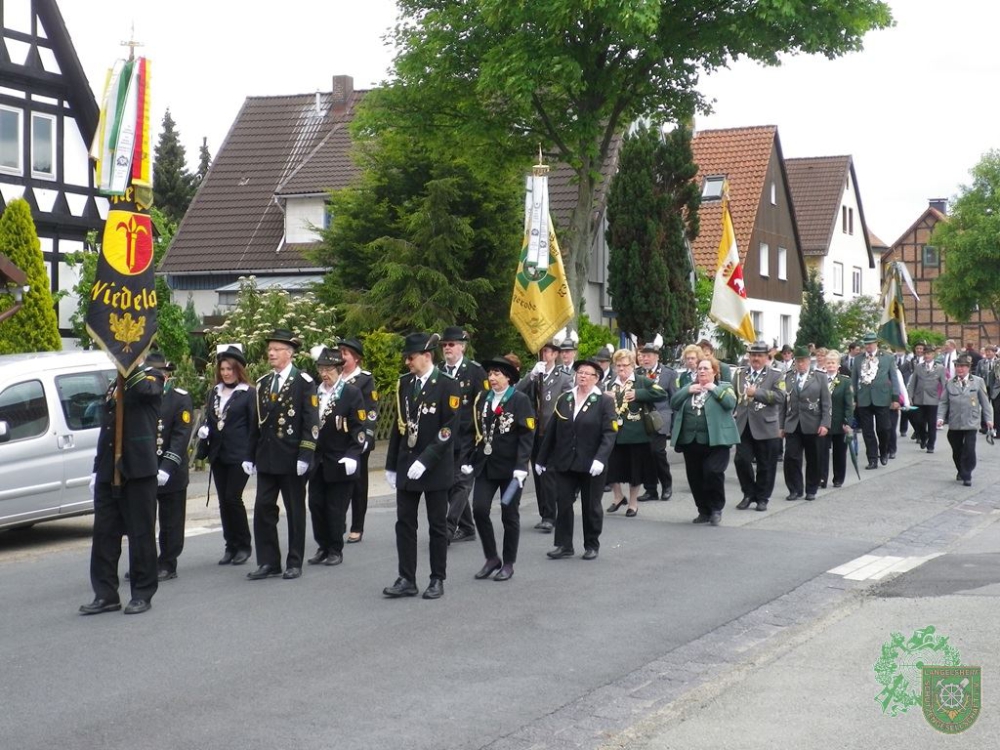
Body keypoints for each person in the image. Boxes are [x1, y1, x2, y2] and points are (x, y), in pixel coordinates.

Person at [80, 359, 163, 616]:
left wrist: (131, 366)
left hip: (137, 470)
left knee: (141, 535)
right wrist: (97, 469)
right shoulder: (113, 383)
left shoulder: (152, 377)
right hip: (108, 469)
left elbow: (144, 392)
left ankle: (142, 593)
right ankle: (105, 594)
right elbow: (106, 430)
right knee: (104, 534)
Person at [383, 333, 462, 599]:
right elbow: (399, 425)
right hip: (407, 464)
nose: (407, 362)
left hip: (435, 467)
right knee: (405, 523)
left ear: (427, 356)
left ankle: (437, 578)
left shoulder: (448, 385)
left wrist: (425, 460)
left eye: (411, 357)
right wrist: (392, 464)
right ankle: (406, 577)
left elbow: (447, 430)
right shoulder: (405, 384)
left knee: (437, 525)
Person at [247, 329, 319, 581]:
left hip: (291, 458)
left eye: (276, 349)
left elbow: (311, 421)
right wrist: (250, 455)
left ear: (289, 353)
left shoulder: (304, 382)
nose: (271, 353)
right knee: (263, 509)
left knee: (295, 510)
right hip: (267, 457)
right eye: (270, 349)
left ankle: (294, 560)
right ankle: (269, 561)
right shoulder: (264, 383)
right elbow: (256, 422)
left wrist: (305, 454)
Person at [535, 358, 617, 560]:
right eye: (580, 372)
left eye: (587, 373)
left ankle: (591, 544)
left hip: (591, 464)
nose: (582, 376)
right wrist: (541, 459)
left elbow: (610, 433)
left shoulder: (604, 401)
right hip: (565, 461)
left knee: (591, 506)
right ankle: (564, 544)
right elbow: (552, 430)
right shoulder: (565, 398)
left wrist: (600, 459)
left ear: (596, 378)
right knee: (563, 502)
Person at [463, 355, 535, 582]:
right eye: (490, 374)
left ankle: (509, 562)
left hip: (511, 469)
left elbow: (527, 434)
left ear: (508, 378)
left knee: (509, 514)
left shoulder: (520, 400)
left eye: (497, 374)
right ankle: (491, 557)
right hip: (486, 465)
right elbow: (475, 431)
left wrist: (522, 465)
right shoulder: (483, 398)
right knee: (480, 510)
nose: (492, 378)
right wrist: (468, 459)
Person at [196, 345, 256, 565]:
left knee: (233, 497)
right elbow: (211, 417)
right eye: (223, 369)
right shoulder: (214, 392)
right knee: (223, 501)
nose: (226, 373)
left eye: (230, 369)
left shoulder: (249, 393)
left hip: (239, 454)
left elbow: (253, 427)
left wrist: (252, 456)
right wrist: (205, 428)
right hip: (219, 454)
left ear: (238, 369)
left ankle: (244, 545)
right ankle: (230, 545)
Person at [306, 347, 365, 567]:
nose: (324, 373)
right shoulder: (314, 392)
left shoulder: (350, 393)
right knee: (316, 504)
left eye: (329, 369)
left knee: (335, 507)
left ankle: (335, 548)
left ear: (339, 369)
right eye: (321, 368)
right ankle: (322, 545)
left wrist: (353, 454)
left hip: (339, 460)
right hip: (317, 460)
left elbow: (359, 427)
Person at [670, 357, 740, 526]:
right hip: (691, 441)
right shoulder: (690, 387)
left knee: (712, 472)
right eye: (700, 368)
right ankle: (703, 510)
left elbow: (731, 403)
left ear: (714, 372)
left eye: (706, 369)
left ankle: (716, 508)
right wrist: (687, 391)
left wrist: (714, 389)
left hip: (716, 441)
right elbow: (674, 402)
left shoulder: (724, 387)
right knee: (695, 477)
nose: (701, 371)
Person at [439, 325, 489, 544]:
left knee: (461, 482)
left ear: (462, 347)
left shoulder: (475, 371)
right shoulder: (439, 370)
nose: (447, 348)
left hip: (468, 435)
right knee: (450, 483)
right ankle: (467, 527)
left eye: (451, 344)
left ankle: (449, 527)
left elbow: (483, 405)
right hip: (444, 437)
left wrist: (484, 438)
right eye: (444, 345)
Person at [517, 338, 572, 533]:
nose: (545, 355)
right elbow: (517, 392)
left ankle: (551, 515)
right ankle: (544, 513)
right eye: (542, 351)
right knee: (539, 473)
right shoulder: (535, 374)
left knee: (549, 473)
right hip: (534, 431)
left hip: (552, 431)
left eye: (548, 351)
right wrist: (531, 375)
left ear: (556, 354)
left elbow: (568, 404)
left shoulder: (564, 377)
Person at [605, 349, 667, 517]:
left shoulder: (641, 381)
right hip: (615, 434)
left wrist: (638, 394)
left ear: (633, 365)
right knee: (610, 468)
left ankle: (633, 503)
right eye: (618, 366)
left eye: (625, 365)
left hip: (637, 434)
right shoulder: (611, 384)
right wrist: (607, 397)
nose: (622, 369)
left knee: (635, 471)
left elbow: (661, 393)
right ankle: (618, 496)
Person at [151, 354, 194, 580]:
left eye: (158, 375)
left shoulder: (179, 399)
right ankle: (146, 560)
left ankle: (168, 562)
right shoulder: (142, 396)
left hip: (171, 471)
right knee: (144, 521)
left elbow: (180, 436)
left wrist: (167, 466)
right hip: (146, 468)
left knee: (171, 522)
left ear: (167, 376)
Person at [732, 340, 786, 512]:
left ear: (766, 357)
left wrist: (757, 393)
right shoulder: (740, 374)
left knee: (766, 464)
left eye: (759, 355)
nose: (755, 358)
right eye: (753, 355)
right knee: (741, 460)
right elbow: (734, 395)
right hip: (744, 424)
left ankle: (762, 497)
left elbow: (780, 397)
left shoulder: (776, 374)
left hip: (766, 425)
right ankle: (748, 493)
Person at [338, 337, 379, 544]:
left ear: (355, 358)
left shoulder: (364, 379)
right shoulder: (335, 379)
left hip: (357, 439)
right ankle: (338, 522)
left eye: (345, 353)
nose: (341, 357)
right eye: (340, 352)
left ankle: (357, 526)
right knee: (338, 483)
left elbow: (371, 411)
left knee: (358, 485)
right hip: (336, 441)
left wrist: (366, 437)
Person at [780, 346, 831, 501]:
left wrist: (825, 423)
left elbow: (826, 403)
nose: (800, 364)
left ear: (809, 361)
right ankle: (795, 489)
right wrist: (781, 426)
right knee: (791, 457)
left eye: (803, 361)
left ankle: (811, 488)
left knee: (813, 457)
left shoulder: (819, 377)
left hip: (813, 422)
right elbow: (783, 403)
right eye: (798, 361)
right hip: (793, 423)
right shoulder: (788, 377)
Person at [937, 355, 994, 486]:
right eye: (957, 366)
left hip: (971, 421)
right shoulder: (950, 382)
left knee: (969, 449)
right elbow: (943, 402)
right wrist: (940, 418)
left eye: (962, 366)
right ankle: (960, 469)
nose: (960, 369)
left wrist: (989, 420)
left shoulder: (978, 381)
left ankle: (967, 474)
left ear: (968, 368)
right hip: (955, 421)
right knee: (956, 449)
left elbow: (985, 403)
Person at [636, 336, 677, 502]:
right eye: (643, 355)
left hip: (661, 417)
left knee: (657, 452)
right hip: (642, 419)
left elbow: (674, 399)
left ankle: (667, 485)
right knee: (645, 455)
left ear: (657, 357)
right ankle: (650, 489)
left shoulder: (669, 373)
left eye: (649, 356)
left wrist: (674, 425)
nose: (645, 359)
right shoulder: (637, 373)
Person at [851, 332, 899, 469]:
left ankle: (883, 450)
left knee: (884, 428)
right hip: (864, 398)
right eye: (866, 344)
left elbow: (894, 378)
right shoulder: (858, 359)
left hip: (882, 397)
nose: (869, 346)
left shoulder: (887, 358)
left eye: (871, 343)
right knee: (867, 431)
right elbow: (854, 380)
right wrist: (854, 398)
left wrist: (895, 397)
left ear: (876, 343)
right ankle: (872, 458)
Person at [818, 350, 854, 489]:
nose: (830, 365)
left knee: (839, 452)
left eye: (833, 363)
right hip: (823, 422)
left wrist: (847, 422)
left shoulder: (845, 381)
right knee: (821, 451)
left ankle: (838, 478)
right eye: (828, 363)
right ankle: (822, 477)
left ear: (838, 365)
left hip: (839, 421)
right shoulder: (819, 379)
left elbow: (849, 404)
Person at [907, 344, 946, 452]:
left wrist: (944, 398)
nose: (926, 356)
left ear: (933, 355)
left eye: (928, 354)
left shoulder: (940, 368)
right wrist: (910, 396)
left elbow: (944, 384)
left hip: (933, 399)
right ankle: (923, 437)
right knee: (918, 421)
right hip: (919, 398)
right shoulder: (919, 367)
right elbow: (913, 382)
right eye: (925, 354)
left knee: (932, 423)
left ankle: (931, 445)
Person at [975, 344, 1000, 433]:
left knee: (996, 408)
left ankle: (996, 427)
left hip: (995, 389)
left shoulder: (998, 362)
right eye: (986, 351)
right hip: (984, 387)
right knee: (984, 406)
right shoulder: (981, 362)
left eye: (989, 351)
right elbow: (977, 375)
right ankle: (984, 426)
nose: (987, 353)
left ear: (994, 352)